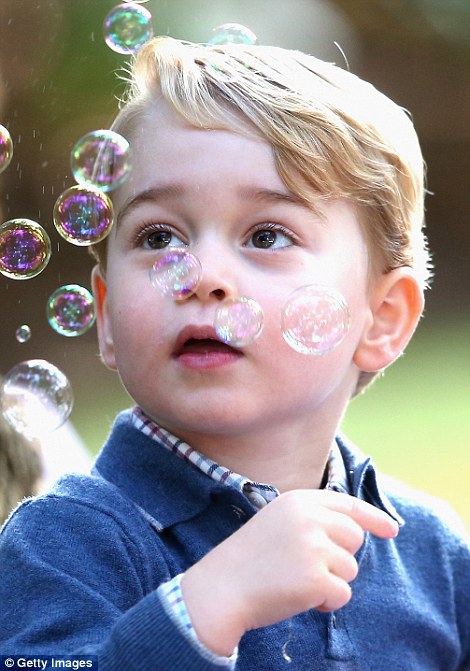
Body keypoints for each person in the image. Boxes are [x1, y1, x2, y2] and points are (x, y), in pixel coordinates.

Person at [0, 36, 469, 670]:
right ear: (107, 314)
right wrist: (203, 610)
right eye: (159, 235)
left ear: (381, 319)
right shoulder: (63, 543)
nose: (201, 274)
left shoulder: (433, 553)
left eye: (267, 234)